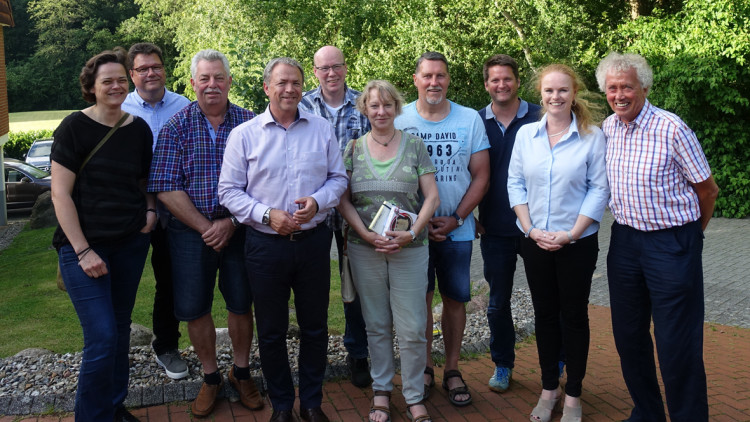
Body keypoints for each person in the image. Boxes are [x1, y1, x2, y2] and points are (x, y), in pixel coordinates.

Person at [218, 57, 347, 422]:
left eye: (295, 83)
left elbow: (338, 179)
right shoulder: (245, 134)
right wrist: (267, 214)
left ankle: (311, 402)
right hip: (264, 246)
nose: (289, 89)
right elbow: (228, 191)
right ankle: (280, 405)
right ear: (266, 88)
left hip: (312, 244)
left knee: (315, 327)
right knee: (272, 331)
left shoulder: (321, 129)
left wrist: (318, 201)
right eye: (282, 83)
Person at [596, 52, 719, 422]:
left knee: (676, 342)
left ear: (644, 88)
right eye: (612, 88)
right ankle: (647, 413)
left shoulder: (672, 128)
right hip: (625, 243)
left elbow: (708, 191)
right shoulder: (608, 128)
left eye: (627, 87)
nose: (619, 94)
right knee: (629, 336)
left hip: (672, 243)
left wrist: (691, 237)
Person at [148, 49, 262, 417]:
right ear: (193, 83)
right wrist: (205, 226)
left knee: (241, 302)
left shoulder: (252, 123)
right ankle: (211, 378)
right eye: (204, 78)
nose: (212, 84)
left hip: (240, 228)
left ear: (230, 81)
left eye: (219, 77)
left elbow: (264, 181)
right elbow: (165, 184)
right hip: (187, 234)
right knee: (194, 307)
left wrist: (231, 222)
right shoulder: (176, 126)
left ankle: (241, 372)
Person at [51, 47, 155, 422]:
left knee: (121, 329)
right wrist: (82, 251)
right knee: (102, 336)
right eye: (106, 81)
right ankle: (92, 417)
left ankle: (113, 405)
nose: (115, 86)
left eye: (120, 80)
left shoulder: (139, 129)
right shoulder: (73, 128)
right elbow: (59, 194)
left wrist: (149, 212)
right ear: (91, 87)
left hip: (130, 243)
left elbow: (143, 182)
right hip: (84, 249)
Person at [507, 64, 609, 422]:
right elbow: (515, 184)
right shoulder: (525, 136)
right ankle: (549, 388)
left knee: (574, 317)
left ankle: (574, 395)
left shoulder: (593, 136)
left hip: (577, 244)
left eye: (563, 90)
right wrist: (531, 229)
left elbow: (599, 189)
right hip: (534, 242)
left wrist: (571, 233)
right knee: (545, 316)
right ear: (541, 94)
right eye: (549, 91)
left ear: (574, 93)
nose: (556, 97)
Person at [337, 80, 440, 422]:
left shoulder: (414, 146)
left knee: (412, 327)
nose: (380, 112)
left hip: (409, 249)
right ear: (364, 109)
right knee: (377, 324)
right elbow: (342, 200)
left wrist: (411, 233)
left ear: (397, 108)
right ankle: (382, 391)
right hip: (365, 249)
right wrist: (365, 234)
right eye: (373, 106)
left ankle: (413, 395)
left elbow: (432, 197)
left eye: (387, 105)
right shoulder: (351, 149)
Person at [395, 51, 490, 407]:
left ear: (448, 79)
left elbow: (481, 175)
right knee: (417, 303)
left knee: (454, 300)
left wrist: (459, 218)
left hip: (457, 229)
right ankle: (422, 369)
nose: (434, 82)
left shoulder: (469, 119)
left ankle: (451, 369)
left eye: (441, 76)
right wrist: (415, 222)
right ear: (416, 79)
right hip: (411, 232)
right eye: (428, 76)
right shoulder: (400, 118)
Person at [298, 45, 372, 388]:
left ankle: (358, 352)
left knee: (354, 282)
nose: (331, 73)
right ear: (315, 72)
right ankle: (311, 355)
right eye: (323, 68)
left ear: (345, 68)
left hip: (353, 206)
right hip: (309, 205)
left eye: (336, 67)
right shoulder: (300, 105)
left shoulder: (364, 104)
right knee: (310, 283)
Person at [121, 42, 191, 380]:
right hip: (130, 210)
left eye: (156, 66)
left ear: (164, 69)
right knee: (122, 281)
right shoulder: (119, 108)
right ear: (132, 74)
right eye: (143, 68)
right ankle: (114, 350)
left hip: (175, 209)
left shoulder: (183, 106)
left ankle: (166, 346)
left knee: (170, 280)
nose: (151, 73)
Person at [476, 54, 541, 393]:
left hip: (538, 227)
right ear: (486, 85)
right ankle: (503, 364)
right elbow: (466, 173)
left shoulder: (540, 115)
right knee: (498, 302)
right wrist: (471, 212)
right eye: (494, 80)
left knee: (547, 298)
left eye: (507, 79)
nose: (501, 85)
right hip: (495, 228)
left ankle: (556, 361)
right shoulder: (476, 122)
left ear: (517, 81)